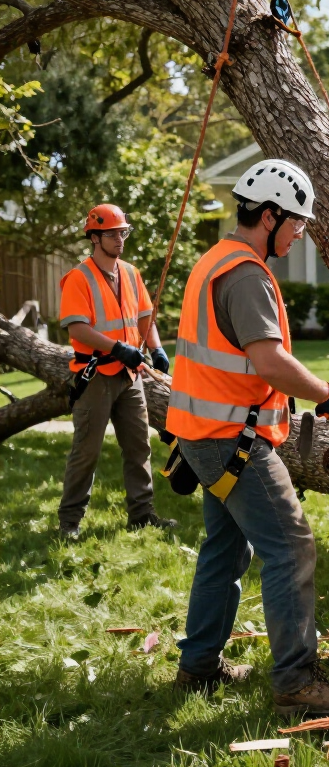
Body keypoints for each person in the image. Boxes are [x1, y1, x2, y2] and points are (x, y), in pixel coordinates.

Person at [168, 158, 329, 717]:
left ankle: (198, 666)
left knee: (224, 550)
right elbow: (269, 360)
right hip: (233, 441)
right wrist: (328, 394)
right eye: (297, 222)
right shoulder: (247, 274)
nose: (301, 233)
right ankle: (296, 683)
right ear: (271, 214)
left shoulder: (214, 260)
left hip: (204, 435)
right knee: (291, 545)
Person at [57, 204, 174, 540]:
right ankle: (69, 523)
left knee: (139, 447)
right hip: (96, 378)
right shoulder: (78, 278)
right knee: (87, 451)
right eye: (112, 233)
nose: (120, 238)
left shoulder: (131, 272)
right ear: (94, 237)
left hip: (130, 376)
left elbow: (143, 317)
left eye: (123, 232)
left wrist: (157, 347)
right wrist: (116, 347)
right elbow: (78, 329)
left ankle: (142, 514)